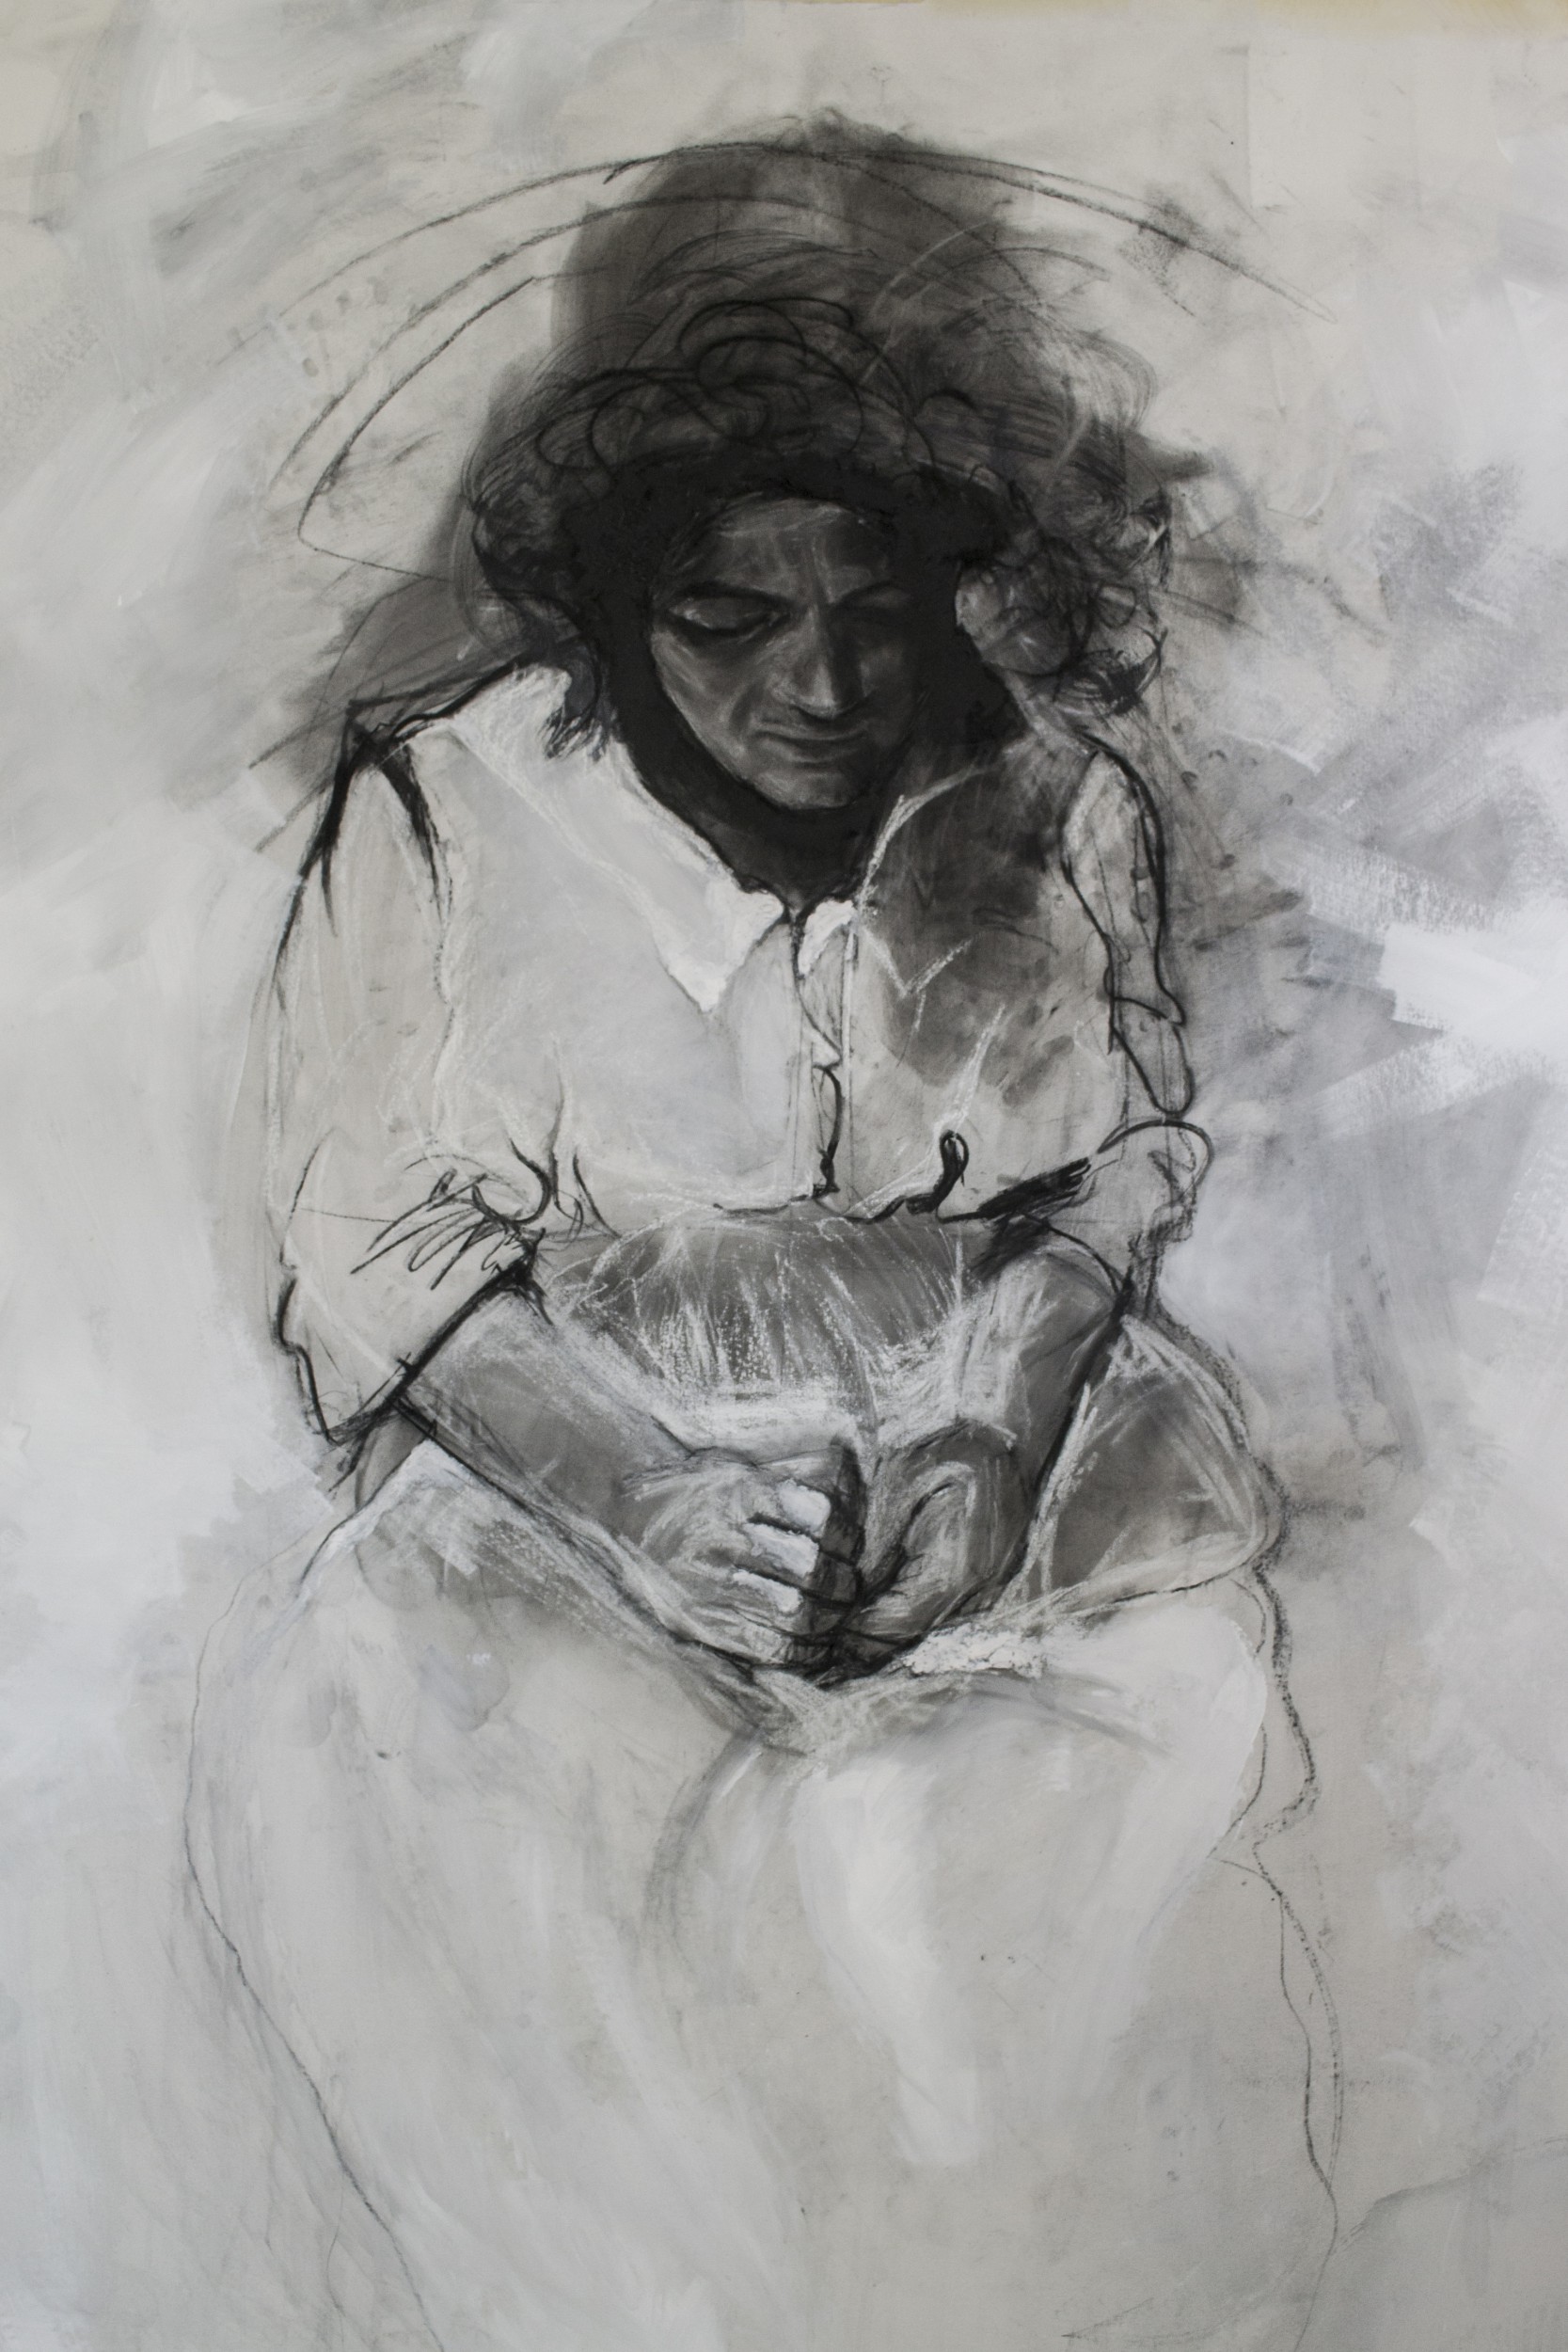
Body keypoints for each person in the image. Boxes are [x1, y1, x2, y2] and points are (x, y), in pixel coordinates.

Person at [190, 125, 1335, 2352]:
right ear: (614, 601)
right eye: (729, 619)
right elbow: (377, 1244)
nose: (821, 686)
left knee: (1069, 1911)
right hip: (569, 1476)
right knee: (426, 1811)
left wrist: (994, 1433)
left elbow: (1107, 1171)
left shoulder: (1050, 797)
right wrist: (646, 1498)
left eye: (874, 611)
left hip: (1014, 1471)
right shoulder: (446, 809)